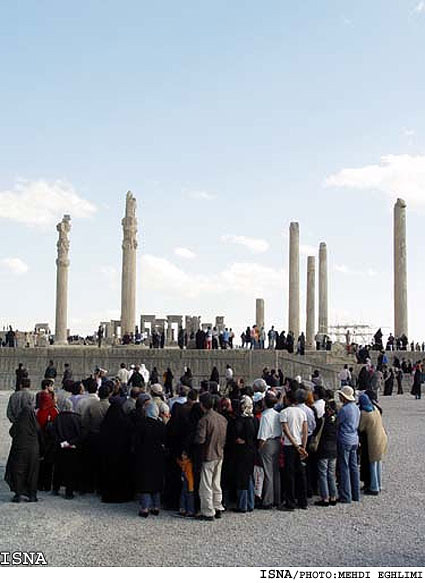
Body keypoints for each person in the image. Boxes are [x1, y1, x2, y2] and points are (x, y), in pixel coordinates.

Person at [194, 392, 228, 521]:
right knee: (216, 482)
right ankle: (218, 505)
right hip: (219, 452)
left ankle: (208, 511)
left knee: (206, 484)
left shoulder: (204, 420)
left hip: (208, 453)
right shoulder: (222, 418)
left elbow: (201, 439)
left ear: (202, 405)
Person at [134, 401, 166, 517]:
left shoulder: (141, 424)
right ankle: (156, 506)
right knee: (156, 481)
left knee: (145, 482)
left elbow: (137, 442)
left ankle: (145, 508)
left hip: (144, 456)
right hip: (158, 456)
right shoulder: (161, 425)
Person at [99, 401, 134, 502]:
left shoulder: (106, 422)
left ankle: (108, 494)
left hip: (109, 453)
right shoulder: (125, 422)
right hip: (122, 454)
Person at [279, 389, 308, 511]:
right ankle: (303, 501)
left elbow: (286, 430)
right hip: (300, 443)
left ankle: (290, 501)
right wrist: (303, 447)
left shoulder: (284, 412)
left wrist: (295, 445)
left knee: (289, 474)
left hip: (289, 445)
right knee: (301, 473)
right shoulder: (302, 412)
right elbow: (305, 430)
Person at [5, 404, 40, 503]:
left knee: (18, 471)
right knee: (32, 472)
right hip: (33, 451)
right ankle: (32, 495)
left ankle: (18, 494)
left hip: (19, 449)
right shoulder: (34, 423)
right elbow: (39, 432)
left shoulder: (18, 423)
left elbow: (11, 432)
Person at [50, 400, 82, 499]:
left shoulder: (57, 418)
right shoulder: (77, 418)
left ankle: (56, 488)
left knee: (58, 468)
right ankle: (69, 492)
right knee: (71, 470)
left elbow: (53, 433)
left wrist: (61, 442)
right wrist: (70, 442)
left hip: (60, 447)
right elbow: (80, 434)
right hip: (73, 447)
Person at [358, 394, 387, 496]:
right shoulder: (375, 408)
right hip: (381, 437)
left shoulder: (365, 413)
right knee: (378, 463)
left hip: (373, 440)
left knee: (373, 464)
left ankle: (374, 487)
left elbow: (361, 427)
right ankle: (378, 484)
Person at [257, 391, 281, 509]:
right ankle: (277, 497)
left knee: (267, 472)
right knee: (275, 471)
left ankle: (267, 500)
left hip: (267, 443)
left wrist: (259, 448)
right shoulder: (277, 414)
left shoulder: (264, 416)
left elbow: (262, 436)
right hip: (277, 441)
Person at [234, 395, 258, 513]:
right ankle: (250, 502)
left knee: (242, 477)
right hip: (252, 450)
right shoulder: (254, 420)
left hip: (242, 451)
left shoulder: (240, 420)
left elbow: (237, 435)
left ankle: (242, 504)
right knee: (249, 476)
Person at [336, 386, 360, 504]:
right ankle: (356, 493)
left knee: (344, 467)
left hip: (345, 439)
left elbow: (338, 422)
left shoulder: (344, 410)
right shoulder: (356, 408)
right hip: (354, 438)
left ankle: (346, 495)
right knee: (354, 467)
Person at [313, 399, 338, 507]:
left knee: (323, 473)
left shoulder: (323, 420)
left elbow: (316, 432)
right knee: (331, 473)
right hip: (334, 449)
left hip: (324, 448)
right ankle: (333, 496)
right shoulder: (336, 420)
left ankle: (325, 497)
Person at [176, 450, 195, 517]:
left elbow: (190, 477)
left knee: (189, 497)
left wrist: (190, 487)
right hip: (185, 483)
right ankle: (183, 510)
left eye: (184, 455)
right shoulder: (184, 463)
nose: (182, 456)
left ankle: (190, 511)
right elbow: (181, 463)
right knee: (183, 496)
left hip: (188, 483)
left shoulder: (188, 464)